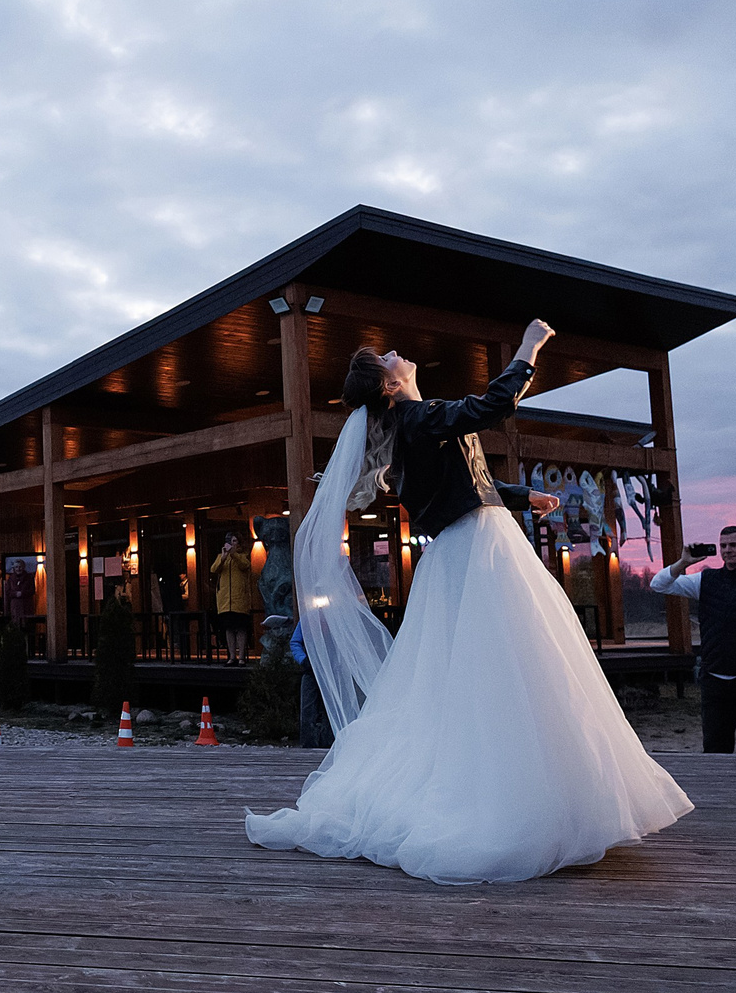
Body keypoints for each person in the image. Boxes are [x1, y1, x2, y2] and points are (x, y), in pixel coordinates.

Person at [246, 321, 693, 884]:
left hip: (469, 548)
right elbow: (488, 407)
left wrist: (518, 494)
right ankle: (505, 803)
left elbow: (458, 478)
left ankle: (524, 787)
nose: (397, 352)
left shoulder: (413, 426)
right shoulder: (417, 417)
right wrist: (528, 349)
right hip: (477, 552)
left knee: (494, 669)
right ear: (388, 387)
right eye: (388, 358)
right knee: (509, 665)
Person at [652, 527, 736, 754]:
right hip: (715, 680)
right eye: (723, 545)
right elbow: (658, 584)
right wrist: (683, 563)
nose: (727, 550)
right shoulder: (705, 580)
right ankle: (719, 790)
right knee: (715, 749)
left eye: (734, 545)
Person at [211, 532, 258, 663]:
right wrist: (223, 557)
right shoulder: (221, 556)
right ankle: (231, 657)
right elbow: (213, 569)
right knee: (229, 629)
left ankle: (241, 657)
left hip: (239, 600)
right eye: (230, 541)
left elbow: (245, 565)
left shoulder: (243, 556)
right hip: (225, 600)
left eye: (235, 541)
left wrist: (234, 554)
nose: (232, 544)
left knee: (241, 629)